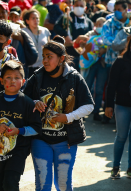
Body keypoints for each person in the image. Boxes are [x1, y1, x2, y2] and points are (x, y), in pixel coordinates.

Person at [25, 36, 94, 191]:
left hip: (66, 141)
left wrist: (67, 117)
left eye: (50, 57)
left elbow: (89, 105)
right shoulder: (36, 76)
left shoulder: (75, 78)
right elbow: (23, 99)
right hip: (40, 139)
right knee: (42, 185)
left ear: (62, 58)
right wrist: (35, 102)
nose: (45, 61)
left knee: (63, 185)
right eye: (44, 57)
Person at [105, 33, 131, 179]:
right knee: (121, 136)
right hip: (122, 105)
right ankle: (115, 167)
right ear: (129, 44)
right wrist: (108, 105)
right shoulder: (120, 61)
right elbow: (111, 85)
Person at [0, 60, 41, 190]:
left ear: (23, 82)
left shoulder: (28, 103)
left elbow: (36, 128)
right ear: (1, 81)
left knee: (10, 183)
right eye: (8, 78)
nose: (12, 81)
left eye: (17, 78)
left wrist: (19, 131)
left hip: (18, 151)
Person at [53, 0, 94, 72]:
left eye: (81, 6)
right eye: (77, 5)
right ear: (73, 6)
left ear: (85, 8)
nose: (79, 7)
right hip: (70, 54)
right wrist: (65, 35)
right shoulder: (66, 17)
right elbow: (56, 27)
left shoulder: (88, 22)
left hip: (84, 56)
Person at [22, 9, 50, 75]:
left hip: (43, 66)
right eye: (33, 18)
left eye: (37, 18)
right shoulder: (23, 32)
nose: (36, 20)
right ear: (27, 21)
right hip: (29, 67)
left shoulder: (45, 31)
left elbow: (49, 47)